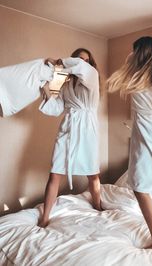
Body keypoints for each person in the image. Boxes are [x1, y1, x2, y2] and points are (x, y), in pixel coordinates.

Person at [107, 37, 152, 249]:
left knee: (139, 186)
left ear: (137, 54)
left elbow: (114, 80)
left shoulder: (134, 77)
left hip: (148, 132)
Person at [38, 48, 102, 228]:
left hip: (87, 129)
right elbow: (57, 108)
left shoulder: (92, 77)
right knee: (55, 173)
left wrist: (58, 61)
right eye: (79, 59)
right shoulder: (63, 82)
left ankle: (97, 205)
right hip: (68, 127)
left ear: (89, 64)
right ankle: (45, 217)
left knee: (92, 174)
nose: (83, 62)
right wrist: (46, 89)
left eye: (86, 60)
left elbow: (80, 68)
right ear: (72, 60)